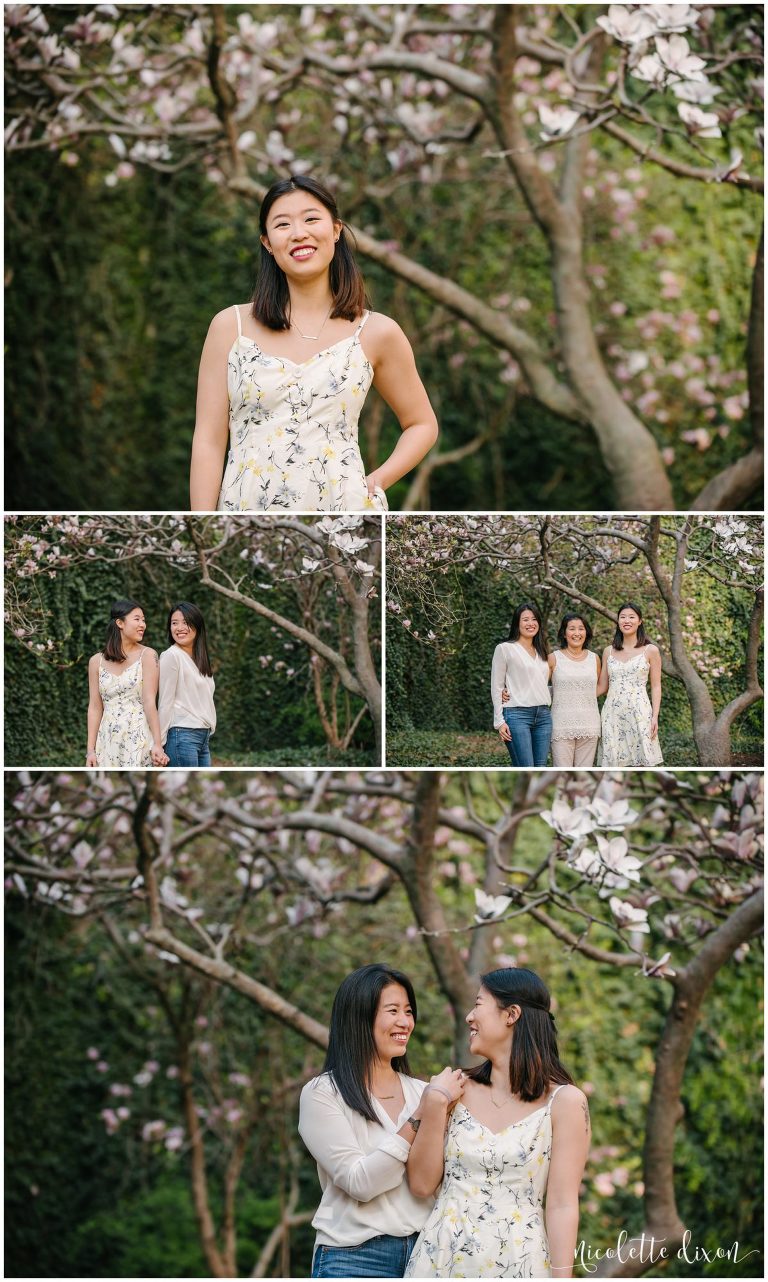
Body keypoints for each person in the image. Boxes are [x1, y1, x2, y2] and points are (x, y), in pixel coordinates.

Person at [190, 175, 438, 513]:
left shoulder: (377, 332)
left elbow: (422, 424)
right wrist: (205, 526)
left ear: (335, 230)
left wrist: (374, 483)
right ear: (267, 242)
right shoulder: (229, 327)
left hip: (342, 511)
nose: (298, 233)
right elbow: (208, 441)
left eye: (311, 219)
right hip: (245, 514)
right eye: (282, 224)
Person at [405, 968, 590, 1279]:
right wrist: (435, 1104)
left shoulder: (566, 1102)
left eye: (478, 1005)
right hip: (440, 1263)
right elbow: (422, 1185)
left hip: (521, 1265)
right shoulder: (454, 1089)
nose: (468, 1017)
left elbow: (561, 1205)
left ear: (511, 1014)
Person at [298, 963, 462, 1278]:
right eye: (392, 1011)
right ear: (360, 1017)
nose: (404, 1022)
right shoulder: (324, 1093)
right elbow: (360, 1183)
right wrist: (421, 1114)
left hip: (426, 1258)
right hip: (353, 1258)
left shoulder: (423, 1092)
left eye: (409, 1011)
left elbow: (434, 1184)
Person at [86, 600, 168, 768]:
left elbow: (149, 701)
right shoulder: (96, 661)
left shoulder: (148, 655)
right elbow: (95, 707)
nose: (143, 625)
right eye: (137, 619)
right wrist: (90, 750)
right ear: (120, 623)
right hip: (107, 740)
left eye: (144, 620)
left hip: (139, 737)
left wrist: (158, 744)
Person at [597, 601, 663, 766]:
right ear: (618, 621)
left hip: (640, 713)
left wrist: (654, 716)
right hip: (612, 714)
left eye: (631, 617)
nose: (627, 621)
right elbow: (602, 687)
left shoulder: (651, 650)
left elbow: (656, 686)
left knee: (642, 764)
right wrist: (574, 696)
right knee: (614, 765)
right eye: (623, 617)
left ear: (639, 621)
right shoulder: (608, 651)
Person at [491, 603, 552, 766]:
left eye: (534, 619)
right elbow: (496, 686)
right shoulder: (505, 648)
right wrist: (499, 721)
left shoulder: (542, 651)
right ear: (517, 623)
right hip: (517, 715)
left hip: (544, 716)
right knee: (526, 767)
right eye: (525, 619)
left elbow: (541, 685)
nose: (530, 623)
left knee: (541, 767)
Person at [158, 602, 216, 767]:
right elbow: (165, 702)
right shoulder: (171, 656)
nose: (179, 627)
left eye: (185, 622)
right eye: (174, 623)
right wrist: (159, 745)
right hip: (181, 735)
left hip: (203, 738)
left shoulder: (199, 659)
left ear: (197, 625)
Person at [548, 613, 602, 766]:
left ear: (587, 632)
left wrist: (581, 696)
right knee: (562, 774)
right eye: (572, 629)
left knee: (583, 776)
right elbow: (539, 687)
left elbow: (598, 686)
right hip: (561, 724)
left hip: (589, 724)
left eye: (581, 629)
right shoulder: (553, 658)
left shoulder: (594, 659)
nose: (577, 633)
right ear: (564, 634)